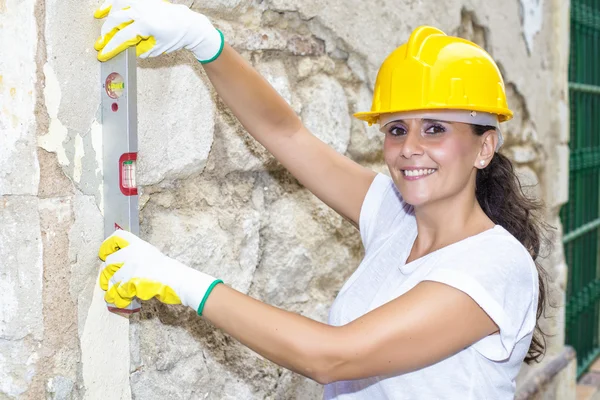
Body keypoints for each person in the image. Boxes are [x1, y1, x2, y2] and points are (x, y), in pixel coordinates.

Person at [94, 1, 549, 398]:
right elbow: (286, 133)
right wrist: (205, 41)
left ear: (485, 147)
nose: (410, 147)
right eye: (396, 129)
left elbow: (330, 357)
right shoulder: (396, 215)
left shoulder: (494, 268)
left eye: (435, 129)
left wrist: (181, 282)